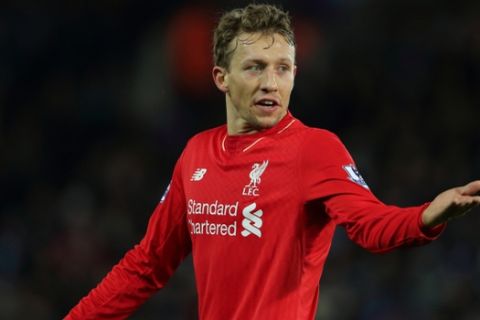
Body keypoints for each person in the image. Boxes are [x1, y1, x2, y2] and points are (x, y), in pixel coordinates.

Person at [65, 4, 480, 319]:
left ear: (296, 74)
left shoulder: (315, 150)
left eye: (283, 68)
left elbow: (370, 226)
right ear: (221, 78)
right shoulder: (196, 153)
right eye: (255, 68)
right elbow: (148, 264)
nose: (271, 82)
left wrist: (428, 215)